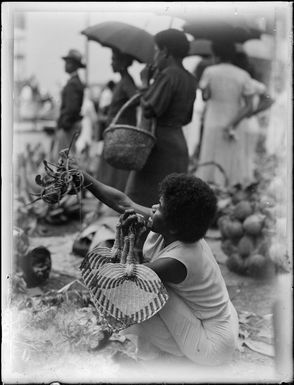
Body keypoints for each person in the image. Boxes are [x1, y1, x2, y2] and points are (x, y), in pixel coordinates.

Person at [58, 149, 239, 366]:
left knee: (144, 293)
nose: (153, 208)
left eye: (159, 207)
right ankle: (167, 355)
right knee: (151, 289)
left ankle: (153, 361)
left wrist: (130, 242)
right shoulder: (172, 227)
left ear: (173, 223)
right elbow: (124, 204)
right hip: (216, 320)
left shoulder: (178, 259)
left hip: (212, 344)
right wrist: (83, 177)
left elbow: (124, 283)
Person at [125, 29, 197, 207]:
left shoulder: (168, 75)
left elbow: (149, 109)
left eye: (157, 50)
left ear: (165, 51)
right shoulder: (190, 78)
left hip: (158, 145)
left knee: (143, 200)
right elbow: (187, 118)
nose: (155, 55)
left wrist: (144, 83)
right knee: (169, 202)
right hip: (178, 142)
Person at [196, 41, 267, 187]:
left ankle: (208, 188)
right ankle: (227, 192)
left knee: (209, 155)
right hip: (234, 119)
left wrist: (207, 90)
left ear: (216, 54)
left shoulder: (210, 71)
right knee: (230, 159)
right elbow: (248, 107)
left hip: (212, 118)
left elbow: (205, 96)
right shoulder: (243, 75)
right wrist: (232, 124)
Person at [97, 49, 138, 193]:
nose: (111, 63)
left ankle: (118, 196)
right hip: (115, 130)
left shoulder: (126, 80)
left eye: (114, 60)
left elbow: (136, 98)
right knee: (112, 169)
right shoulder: (122, 81)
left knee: (118, 169)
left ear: (122, 63)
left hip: (121, 133)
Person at [51, 49, 86, 160]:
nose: (65, 65)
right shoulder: (74, 82)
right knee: (67, 158)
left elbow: (72, 109)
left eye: (68, 62)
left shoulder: (73, 83)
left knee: (65, 160)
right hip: (71, 125)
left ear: (74, 65)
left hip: (69, 126)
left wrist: (63, 124)